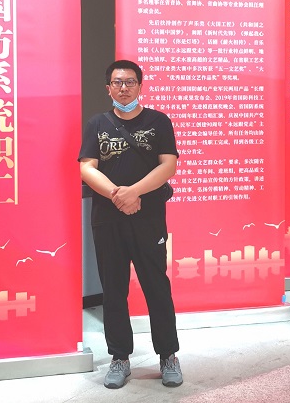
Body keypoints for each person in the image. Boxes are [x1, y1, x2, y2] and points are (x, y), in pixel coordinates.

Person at [78, 59, 183, 389]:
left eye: (130, 82)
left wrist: (134, 192)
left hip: (148, 217)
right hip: (107, 219)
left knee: (157, 286)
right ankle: (119, 357)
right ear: (108, 88)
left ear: (140, 86)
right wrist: (117, 195)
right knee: (113, 290)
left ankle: (168, 355)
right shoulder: (97, 124)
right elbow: (87, 167)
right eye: (117, 82)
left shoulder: (158, 121)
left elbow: (168, 165)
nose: (123, 88)